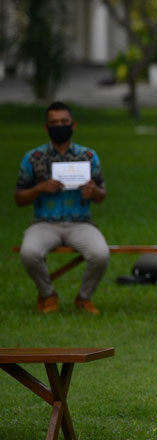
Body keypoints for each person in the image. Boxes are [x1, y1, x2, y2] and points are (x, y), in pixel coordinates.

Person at [15, 101, 110, 314]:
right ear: (46, 127)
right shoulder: (33, 158)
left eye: (64, 122)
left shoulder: (88, 156)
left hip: (80, 222)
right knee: (29, 252)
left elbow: (102, 193)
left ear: (73, 124)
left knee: (100, 254)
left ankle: (84, 297)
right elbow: (19, 198)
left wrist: (93, 192)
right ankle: (48, 294)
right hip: (45, 223)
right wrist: (40, 188)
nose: (59, 126)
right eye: (54, 122)